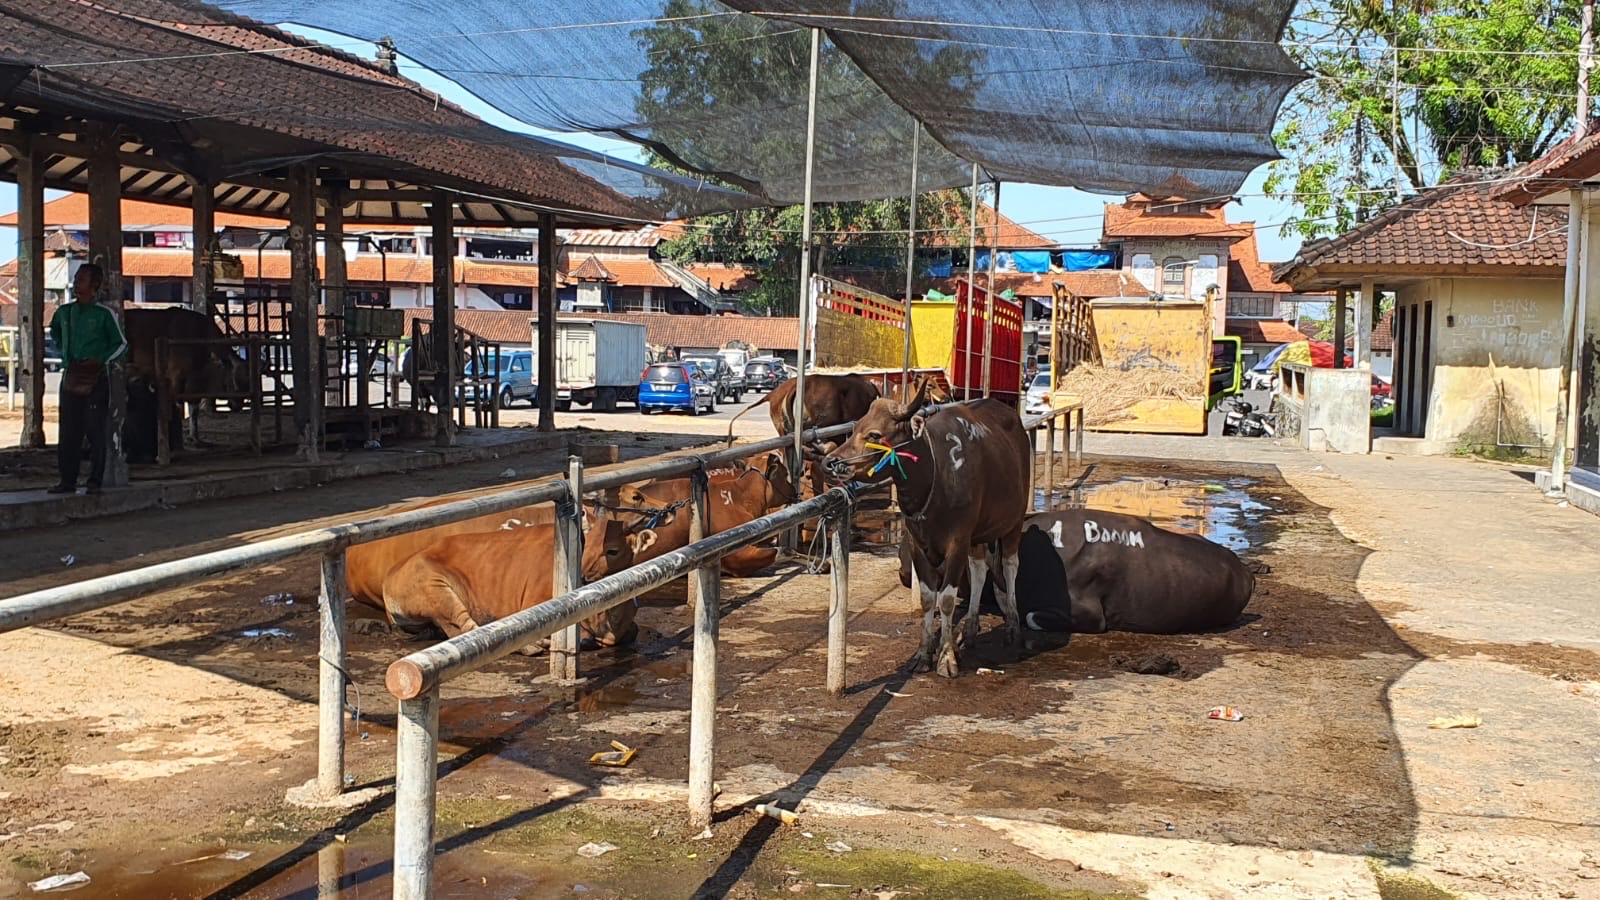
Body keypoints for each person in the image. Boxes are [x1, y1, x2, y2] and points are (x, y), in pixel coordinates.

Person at [47, 264, 126, 495]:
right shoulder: (64, 313)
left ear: (95, 287)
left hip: (96, 378)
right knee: (68, 431)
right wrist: (65, 354)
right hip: (71, 375)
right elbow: (55, 333)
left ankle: (94, 481)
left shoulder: (104, 315)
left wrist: (100, 360)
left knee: (95, 430)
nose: (76, 284)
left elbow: (120, 344)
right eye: (76, 279)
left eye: (82, 280)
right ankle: (67, 481)